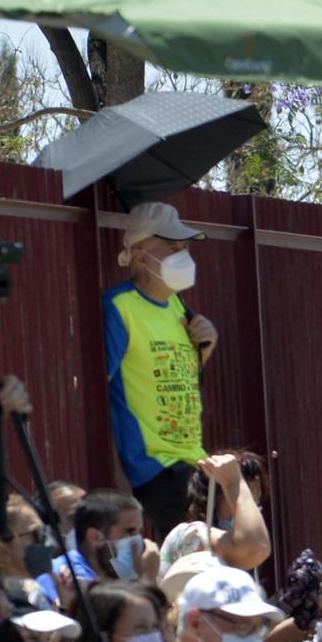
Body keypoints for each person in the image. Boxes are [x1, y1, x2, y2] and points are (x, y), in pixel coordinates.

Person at [104, 201, 214, 533]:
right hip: (155, 471)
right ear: (140, 254)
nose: (184, 255)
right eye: (172, 247)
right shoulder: (119, 308)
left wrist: (207, 347)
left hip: (194, 462)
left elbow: (177, 379)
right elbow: (101, 390)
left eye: (184, 247)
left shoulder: (178, 307)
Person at [159, 451, 270, 572]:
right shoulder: (188, 535)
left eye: (255, 503)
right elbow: (255, 549)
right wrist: (233, 483)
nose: (252, 512)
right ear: (216, 495)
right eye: (245, 499)